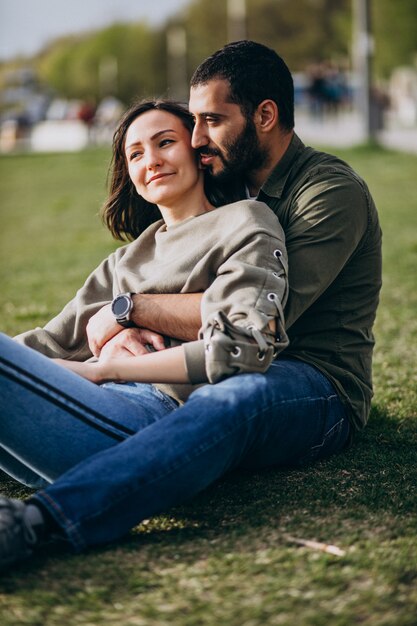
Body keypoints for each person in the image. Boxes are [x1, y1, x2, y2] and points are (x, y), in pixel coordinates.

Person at [0, 40, 382, 569]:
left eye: (209, 122)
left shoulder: (323, 194)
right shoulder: (225, 193)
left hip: (312, 378)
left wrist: (123, 320)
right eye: (191, 126)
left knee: (238, 394)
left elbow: (256, 327)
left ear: (264, 116)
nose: (198, 140)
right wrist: (109, 322)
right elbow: (46, 340)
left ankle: (42, 525)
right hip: (184, 382)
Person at [0, 97, 289, 568]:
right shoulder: (126, 259)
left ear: (199, 150)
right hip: (77, 411)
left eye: (165, 143)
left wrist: (107, 369)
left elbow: (242, 343)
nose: (150, 160)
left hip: (149, 419)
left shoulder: (244, 222)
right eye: (135, 154)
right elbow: (46, 343)